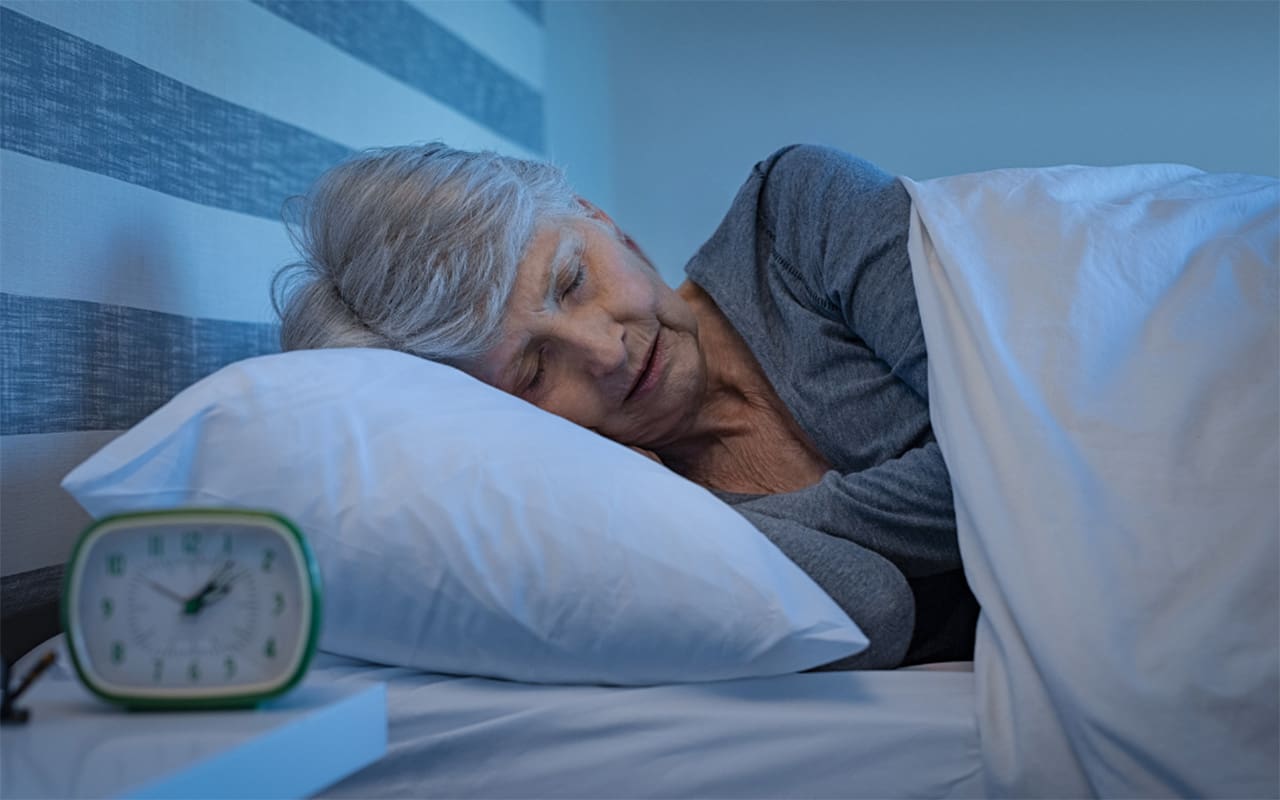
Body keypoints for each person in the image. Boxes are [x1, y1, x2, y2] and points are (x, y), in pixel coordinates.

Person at [273, 142, 979, 669]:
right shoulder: (622, 522)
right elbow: (871, 607)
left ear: (601, 221)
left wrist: (783, 515)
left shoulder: (795, 216)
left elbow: (1011, 462)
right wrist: (653, 498)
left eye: (573, 279)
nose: (603, 353)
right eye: (532, 374)